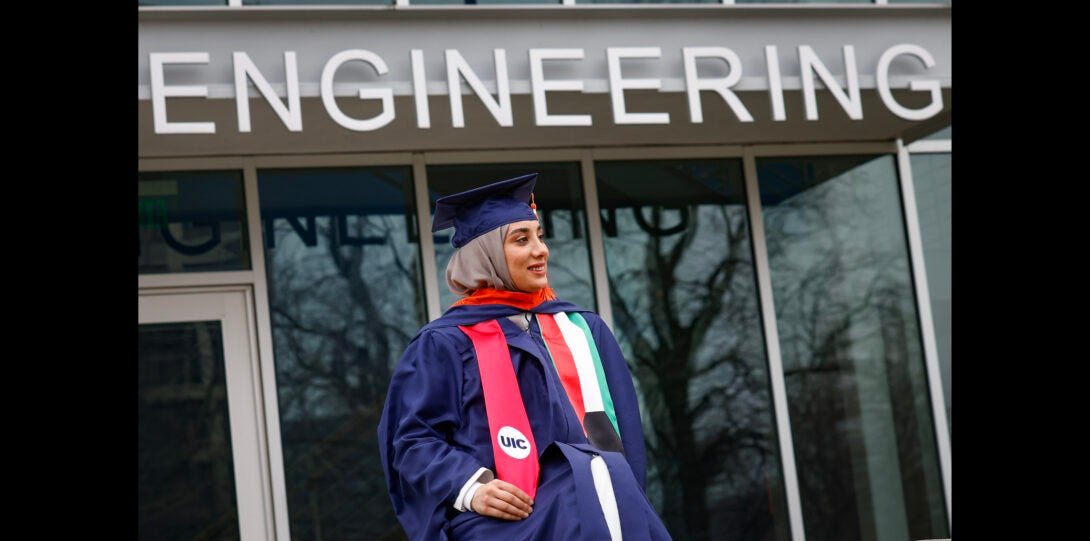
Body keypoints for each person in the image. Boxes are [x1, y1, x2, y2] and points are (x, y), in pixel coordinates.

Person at [378, 173, 672, 541]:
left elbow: (625, 437)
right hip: (512, 525)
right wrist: (474, 489)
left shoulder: (583, 330)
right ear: (484, 255)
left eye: (540, 236)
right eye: (521, 240)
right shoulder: (444, 343)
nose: (541, 250)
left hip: (606, 515)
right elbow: (412, 441)